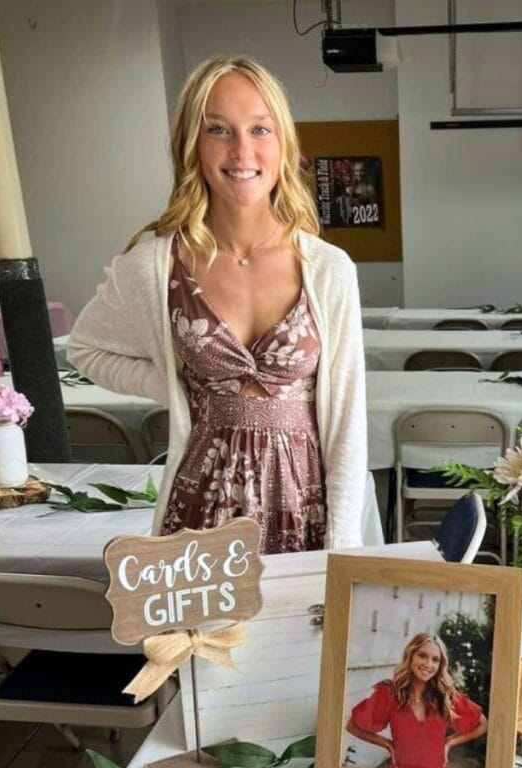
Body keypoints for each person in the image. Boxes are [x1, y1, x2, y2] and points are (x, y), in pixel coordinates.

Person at [68, 56, 366, 552]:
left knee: (301, 631)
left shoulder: (329, 269)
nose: (242, 149)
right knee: (199, 633)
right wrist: (177, 385)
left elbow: (347, 424)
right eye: (219, 130)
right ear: (192, 145)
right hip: (198, 516)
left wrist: (344, 548)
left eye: (260, 129)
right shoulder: (154, 265)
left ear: (284, 144)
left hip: (304, 512)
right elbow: (86, 349)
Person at [346, 633, 487, 768]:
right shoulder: (391, 693)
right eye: (422, 656)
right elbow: (352, 726)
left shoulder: (444, 695)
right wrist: (388, 744)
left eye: (435, 660)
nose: (428, 664)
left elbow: (482, 723)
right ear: (411, 656)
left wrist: (449, 742)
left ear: (440, 666)